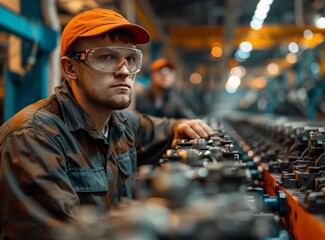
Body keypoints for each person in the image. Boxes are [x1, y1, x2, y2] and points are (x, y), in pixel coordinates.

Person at [0, 8, 214, 239]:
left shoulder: (120, 124)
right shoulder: (33, 137)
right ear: (71, 68)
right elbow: (62, 234)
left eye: (130, 59)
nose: (123, 71)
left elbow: (160, 128)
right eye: (106, 57)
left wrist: (180, 127)